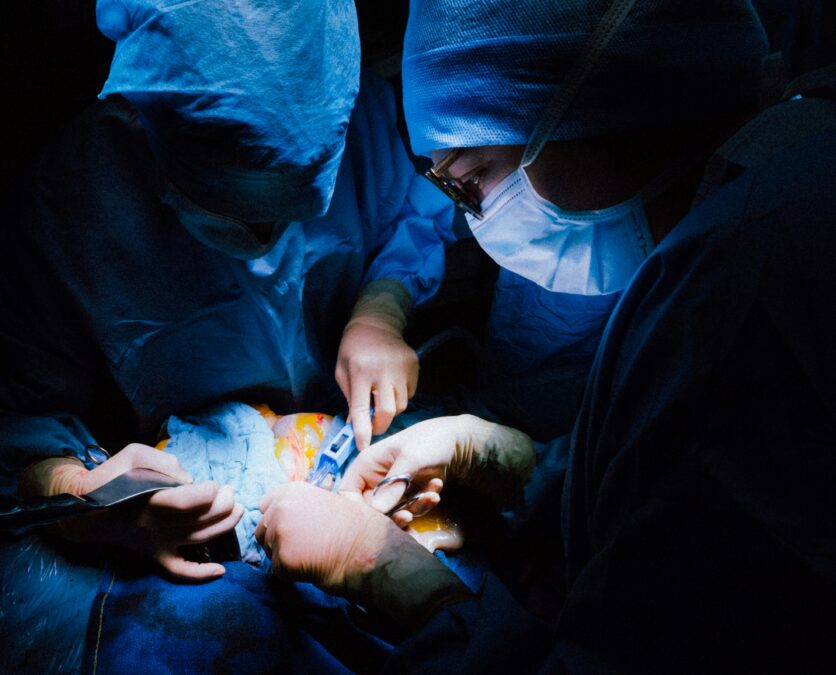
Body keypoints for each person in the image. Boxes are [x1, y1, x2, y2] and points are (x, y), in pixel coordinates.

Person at [257, 0, 836, 671]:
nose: (478, 222)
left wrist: (374, 564)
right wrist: (507, 461)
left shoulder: (733, 303)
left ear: (604, 93)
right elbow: (663, 488)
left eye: (474, 180)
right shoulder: (789, 159)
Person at [0, 0, 454, 669]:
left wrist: (384, 305)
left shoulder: (353, 118)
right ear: (154, 128)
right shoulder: (73, 202)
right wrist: (83, 495)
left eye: (293, 206)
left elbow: (413, 206)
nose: (266, 244)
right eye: (231, 204)